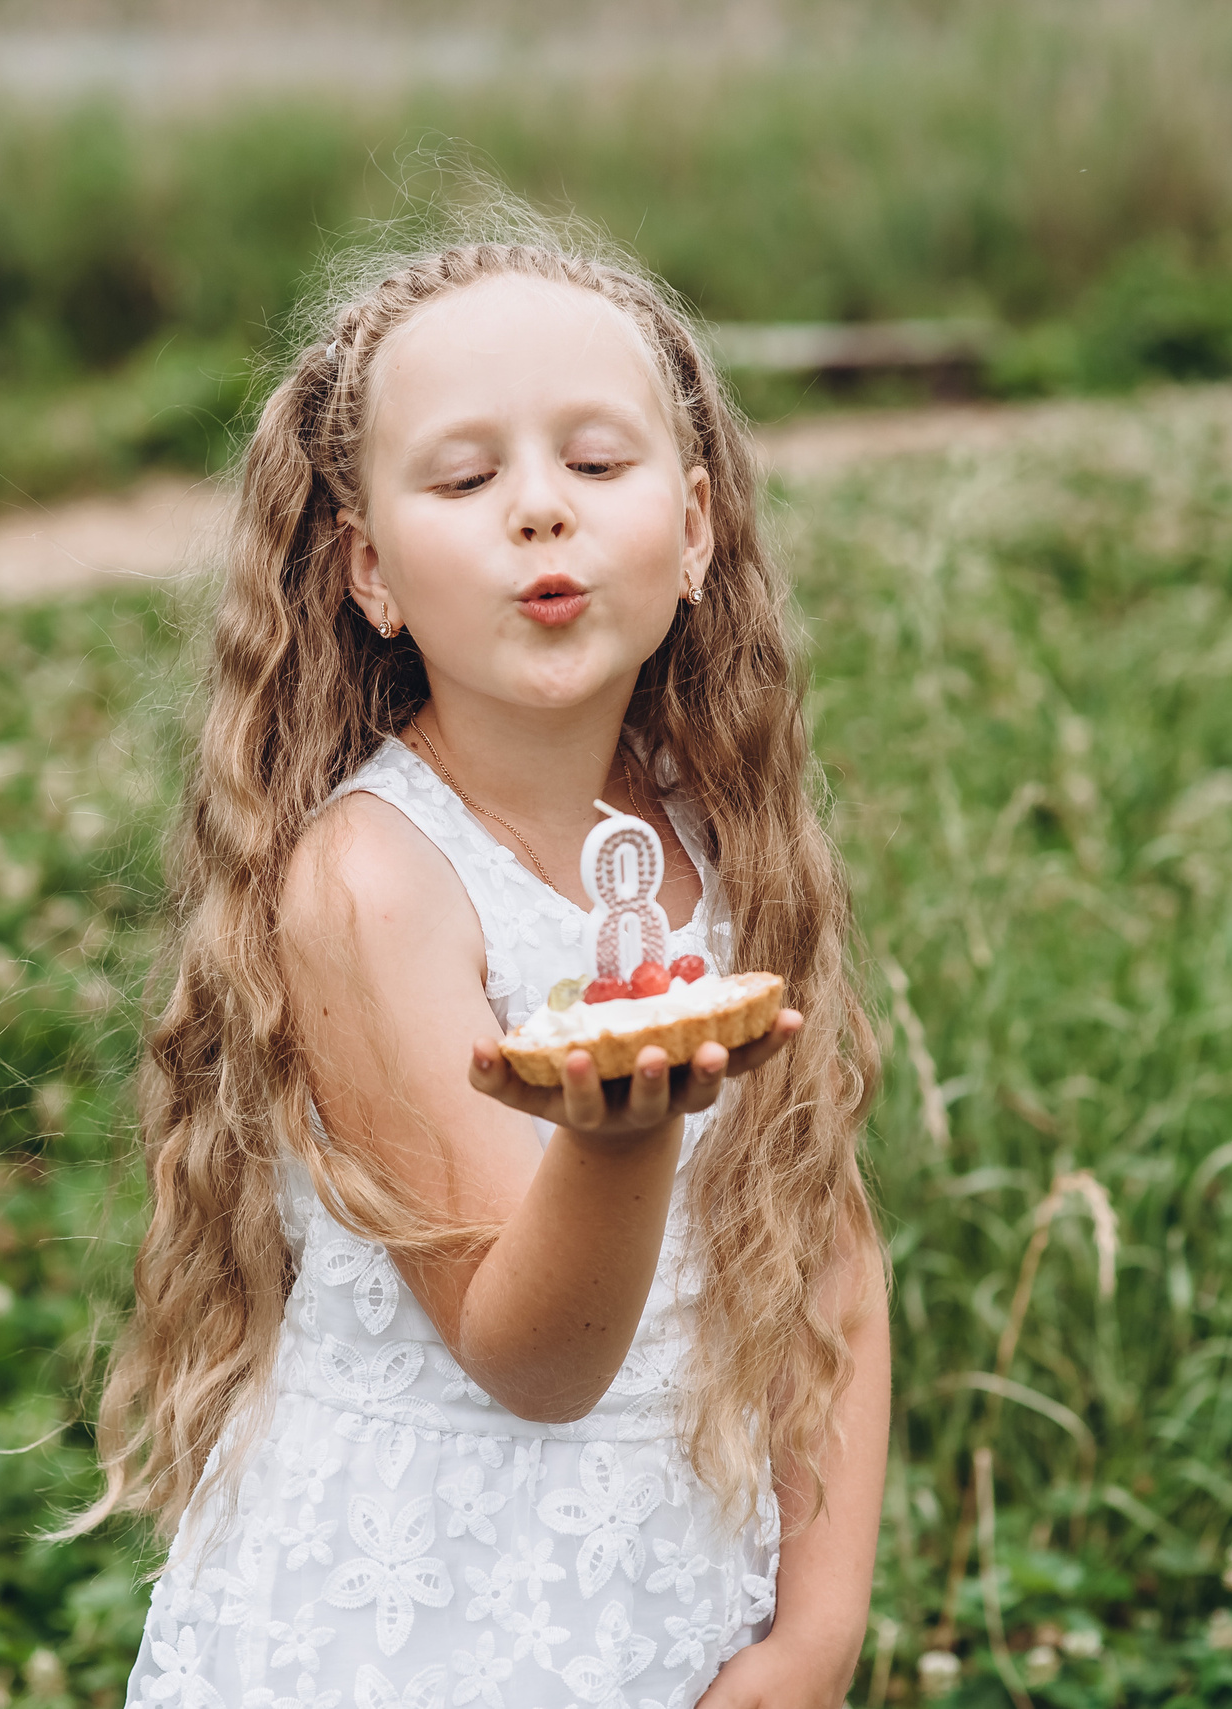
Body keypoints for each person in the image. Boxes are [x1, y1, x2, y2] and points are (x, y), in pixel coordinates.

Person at [72, 219, 887, 1709]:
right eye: (465, 477)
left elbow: (824, 1239)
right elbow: (533, 1355)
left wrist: (813, 1631)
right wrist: (621, 1130)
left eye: (596, 463)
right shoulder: (372, 882)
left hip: (657, 1585)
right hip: (411, 1623)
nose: (538, 513)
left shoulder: (723, 833)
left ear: (696, 528)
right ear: (369, 570)